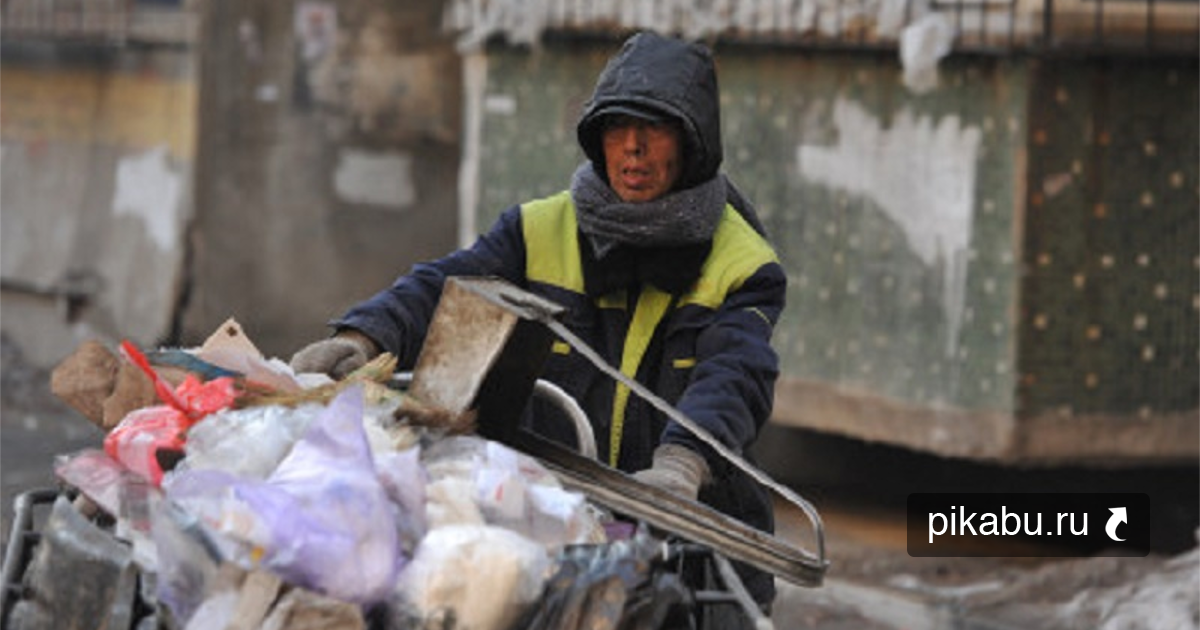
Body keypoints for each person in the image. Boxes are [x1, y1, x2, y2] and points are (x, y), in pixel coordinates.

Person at [290, 30, 786, 609]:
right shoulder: (537, 229)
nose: (632, 148)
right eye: (616, 128)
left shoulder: (742, 261)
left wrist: (684, 463)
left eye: (654, 130)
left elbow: (735, 374)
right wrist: (363, 334)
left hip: (696, 539)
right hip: (563, 524)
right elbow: (443, 285)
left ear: (693, 143)